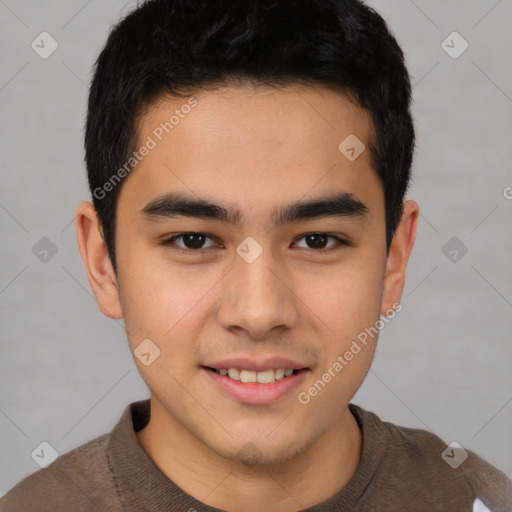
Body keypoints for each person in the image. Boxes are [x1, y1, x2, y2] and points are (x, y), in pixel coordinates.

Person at [1, 0, 510, 511]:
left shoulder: (479, 499)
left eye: (317, 240)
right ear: (102, 261)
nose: (259, 313)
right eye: (193, 240)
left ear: (393, 259)